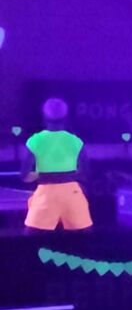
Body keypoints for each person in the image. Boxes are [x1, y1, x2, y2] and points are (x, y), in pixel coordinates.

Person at [23, 98, 91, 233]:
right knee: (85, 238)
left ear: (44, 117)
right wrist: (66, 175)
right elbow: (85, 173)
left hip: (45, 194)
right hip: (72, 192)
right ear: (66, 118)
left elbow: (24, 176)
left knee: (29, 238)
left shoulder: (35, 140)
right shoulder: (75, 141)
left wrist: (42, 175)